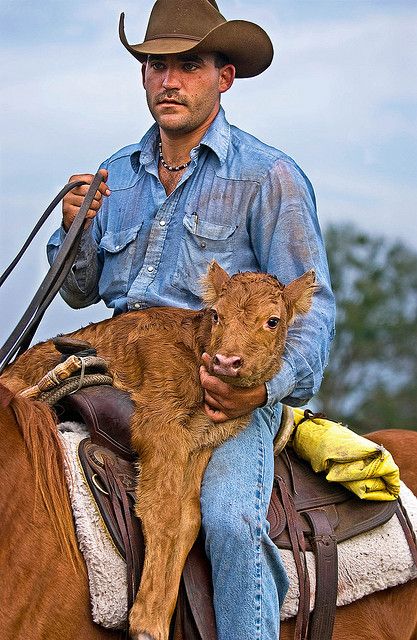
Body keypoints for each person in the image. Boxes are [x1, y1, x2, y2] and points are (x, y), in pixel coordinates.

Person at [48, 1, 335, 638]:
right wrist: (75, 233)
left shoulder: (270, 176)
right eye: (156, 65)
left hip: (217, 386)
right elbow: (80, 291)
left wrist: (262, 388)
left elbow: (315, 315)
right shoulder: (116, 172)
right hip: (118, 360)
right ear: (143, 74)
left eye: (189, 65)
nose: (169, 80)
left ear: (224, 76)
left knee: (230, 518)